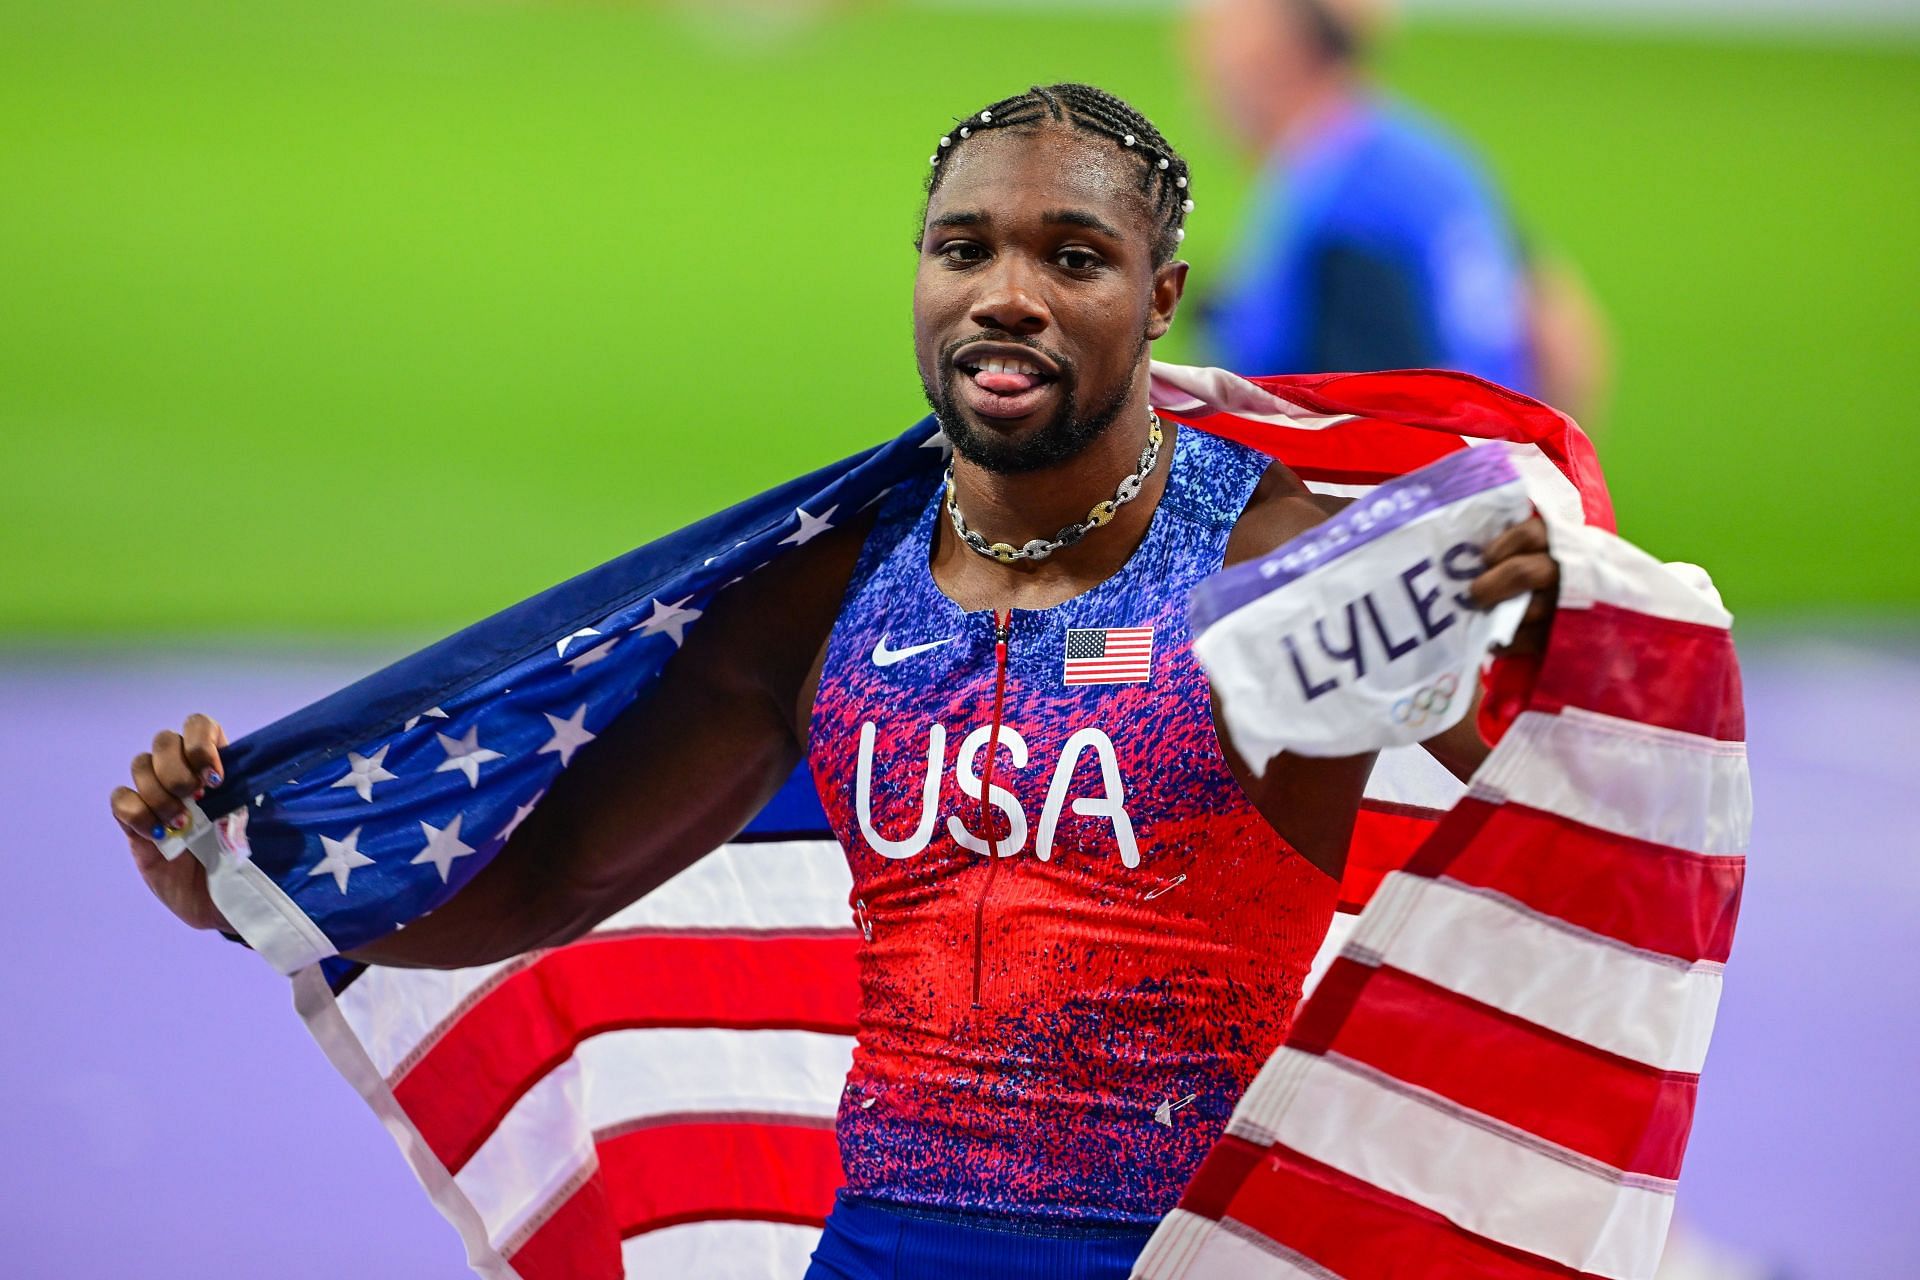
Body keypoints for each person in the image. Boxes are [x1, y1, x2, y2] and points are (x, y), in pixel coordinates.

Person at [110, 83, 1561, 1280]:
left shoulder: (1281, 559)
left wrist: (1544, 624)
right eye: (964, 249)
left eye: (1073, 258)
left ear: (1162, 294)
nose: (1007, 296)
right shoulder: (833, 583)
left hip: (1180, 1255)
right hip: (878, 1257)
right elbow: (546, 887)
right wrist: (243, 896)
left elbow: (1531, 760)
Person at [1191, 0, 1611, 422]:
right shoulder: (1430, 160)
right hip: (1491, 470)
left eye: (1217, 31)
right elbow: (1562, 335)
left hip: (1424, 479)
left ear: (1270, 49)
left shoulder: (1340, 208)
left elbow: (1376, 430)